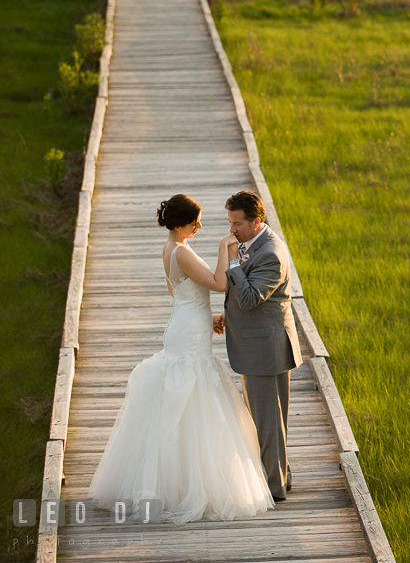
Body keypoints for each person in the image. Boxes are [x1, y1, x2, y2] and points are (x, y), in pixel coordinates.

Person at [89, 194, 274, 524]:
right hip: (188, 335)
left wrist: (210, 319)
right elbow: (218, 284)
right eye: (195, 222)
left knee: (189, 400)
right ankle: (184, 485)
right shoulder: (182, 252)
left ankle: (187, 476)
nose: (199, 226)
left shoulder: (171, 249)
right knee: (192, 398)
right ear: (179, 224)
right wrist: (224, 250)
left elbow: (182, 293)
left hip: (187, 324)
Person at [217, 190, 302, 502]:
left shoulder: (271, 253)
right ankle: (281, 477)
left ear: (257, 221)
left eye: (237, 224)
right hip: (259, 344)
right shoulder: (254, 244)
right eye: (229, 222)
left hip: (265, 350)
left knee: (267, 424)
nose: (231, 230)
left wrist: (231, 263)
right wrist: (228, 315)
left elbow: (251, 298)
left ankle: (273, 488)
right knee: (269, 421)